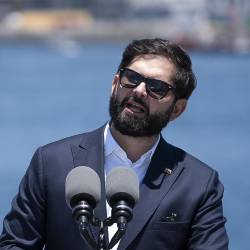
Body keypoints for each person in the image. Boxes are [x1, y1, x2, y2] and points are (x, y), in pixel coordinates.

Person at [0, 38, 229, 250]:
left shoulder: (198, 184)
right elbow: (14, 245)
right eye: (132, 78)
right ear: (115, 84)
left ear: (177, 109)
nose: (139, 91)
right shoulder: (51, 162)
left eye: (156, 88)